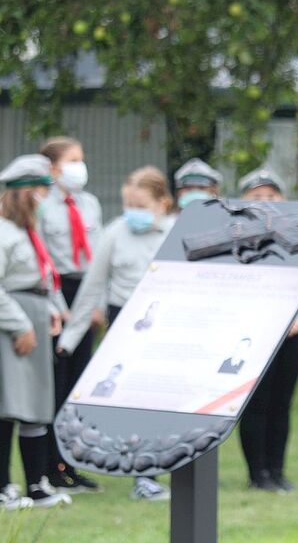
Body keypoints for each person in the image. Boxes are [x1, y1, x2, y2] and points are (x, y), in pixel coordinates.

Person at [57, 165, 176, 502]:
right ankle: (144, 474)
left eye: (141, 206)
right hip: (126, 321)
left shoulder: (176, 234)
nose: (133, 214)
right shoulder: (114, 233)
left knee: (162, 400)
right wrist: (69, 339)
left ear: (162, 203)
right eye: (129, 205)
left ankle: (163, 466)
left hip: (167, 322)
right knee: (133, 401)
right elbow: (91, 288)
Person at [236, 166, 298, 493]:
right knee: (256, 404)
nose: (265, 202)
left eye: (271, 196)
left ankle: (277, 470)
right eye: (256, 197)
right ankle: (256, 473)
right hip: (254, 334)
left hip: (293, 333)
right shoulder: (235, 238)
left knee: (281, 403)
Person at [0, 154, 72, 509]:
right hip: (13, 323)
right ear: (23, 193)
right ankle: (3, 487)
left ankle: (36, 483)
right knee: (9, 404)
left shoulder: (30, 232)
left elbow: (42, 275)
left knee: (37, 404)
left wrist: (52, 309)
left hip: (36, 314)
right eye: (41, 191)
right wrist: (21, 324)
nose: (46, 199)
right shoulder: (3, 232)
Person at [36, 136, 103, 494]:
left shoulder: (90, 203)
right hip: (57, 295)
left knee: (80, 386)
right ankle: (49, 467)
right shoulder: (42, 205)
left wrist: (96, 304)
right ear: (53, 168)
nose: (80, 166)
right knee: (56, 386)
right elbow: (43, 260)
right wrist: (61, 308)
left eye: (82, 158)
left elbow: (98, 256)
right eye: (72, 160)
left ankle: (72, 466)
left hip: (86, 291)